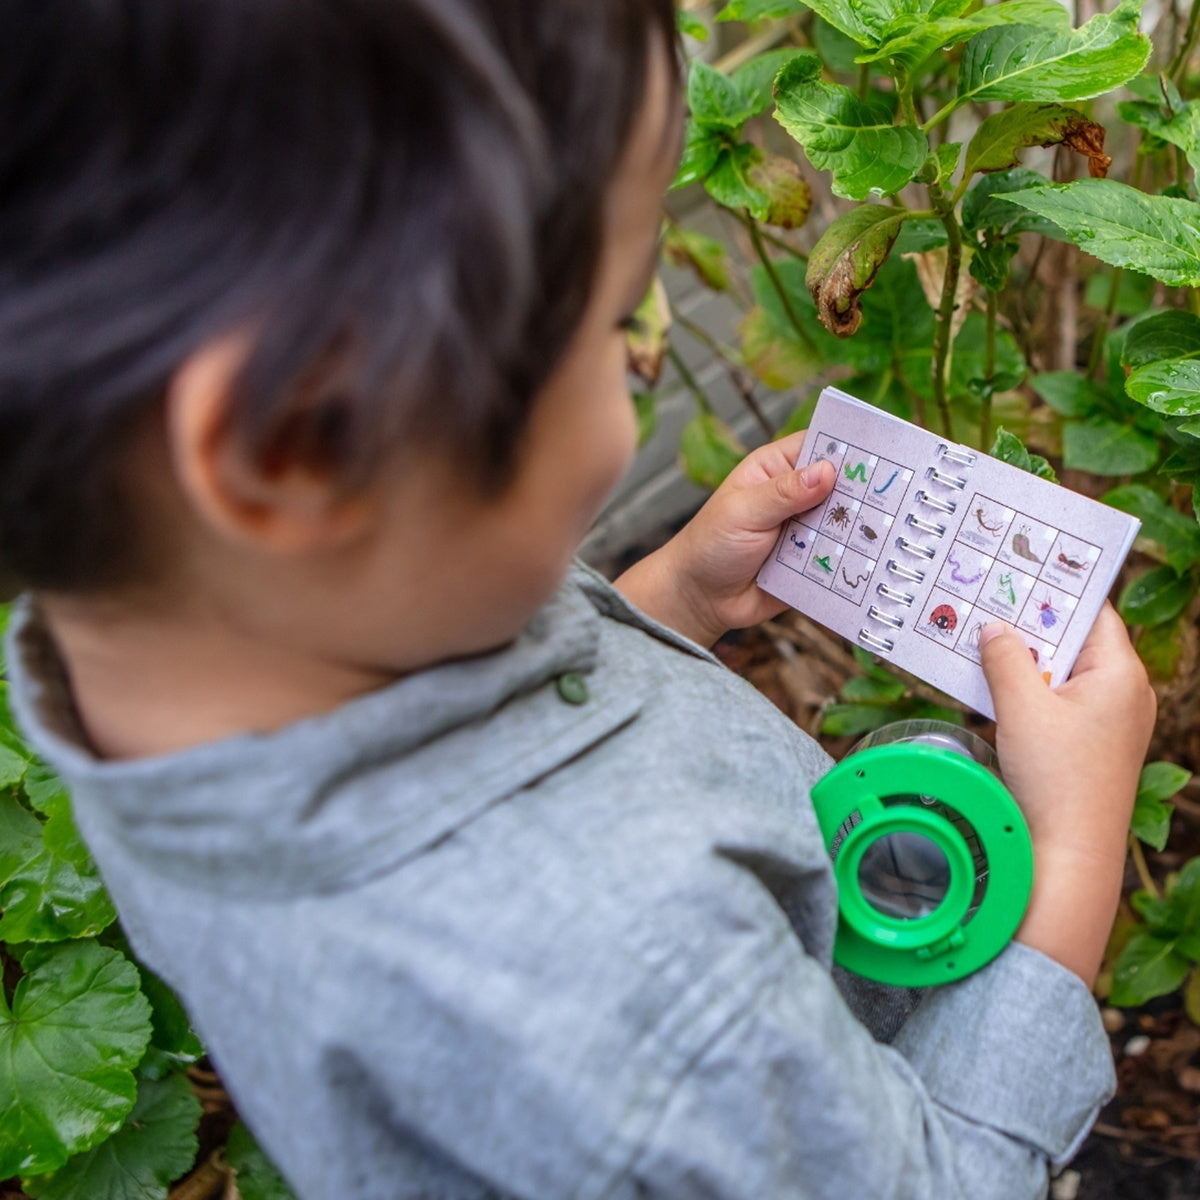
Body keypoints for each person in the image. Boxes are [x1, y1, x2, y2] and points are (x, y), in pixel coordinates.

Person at [2, 2, 1156, 1198]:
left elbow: (477, 689)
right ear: (293, 451)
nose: (634, 372)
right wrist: (1070, 866)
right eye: (610, 326)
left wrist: (671, 599)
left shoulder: (193, 635)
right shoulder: (632, 989)